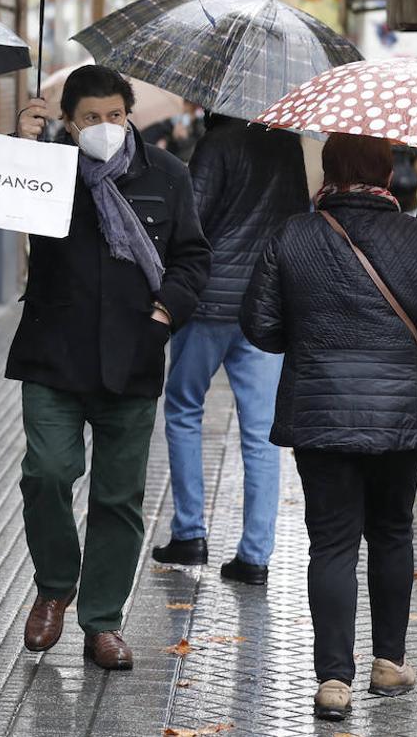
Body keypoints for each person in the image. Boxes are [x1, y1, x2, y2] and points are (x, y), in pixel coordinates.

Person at [241, 133, 417, 722]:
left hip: (320, 415)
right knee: (393, 532)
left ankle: (333, 682)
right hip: (398, 417)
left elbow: (260, 328)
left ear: (330, 170)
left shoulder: (293, 234)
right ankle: (390, 663)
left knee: (334, 542)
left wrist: (310, 331)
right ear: (387, 170)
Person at [10, 66, 210, 670]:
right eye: (90, 118)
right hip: (53, 352)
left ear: (131, 114)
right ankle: (54, 585)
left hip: (133, 357)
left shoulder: (168, 176)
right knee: (46, 473)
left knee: (118, 497)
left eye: (115, 116)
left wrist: (163, 312)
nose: (105, 128)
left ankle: (102, 621)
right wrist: (23, 146)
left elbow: (194, 259)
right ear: (70, 122)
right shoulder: (47, 170)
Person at [152, 114, 310, 585]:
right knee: (261, 432)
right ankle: (255, 555)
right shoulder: (287, 143)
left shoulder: (217, 143)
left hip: (208, 304)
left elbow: (190, 223)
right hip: (264, 307)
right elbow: (296, 216)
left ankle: (190, 533)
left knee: (183, 408)